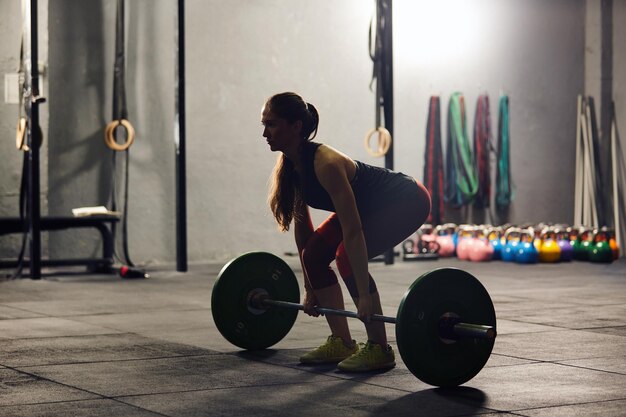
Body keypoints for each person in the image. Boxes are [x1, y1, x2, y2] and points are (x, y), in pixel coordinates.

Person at [262, 92, 431, 372]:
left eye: (272, 124)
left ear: (296, 127)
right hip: (369, 209)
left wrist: (364, 296)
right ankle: (342, 341)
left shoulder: (325, 163)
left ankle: (379, 348)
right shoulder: (292, 168)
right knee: (314, 254)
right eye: (264, 124)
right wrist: (309, 288)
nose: (265, 133)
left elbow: (352, 230)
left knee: (346, 257)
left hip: (406, 200)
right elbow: (304, 233)